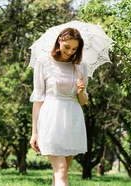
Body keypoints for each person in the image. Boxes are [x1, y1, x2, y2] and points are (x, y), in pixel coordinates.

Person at [29, 27, 88, 186]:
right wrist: (34, 133)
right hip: (51, 120)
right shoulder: (43, 62)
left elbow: (82, 101)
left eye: (74, 48)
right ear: (59, 41)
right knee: (61, 170)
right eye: (67, 47)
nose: (70, 52)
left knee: (60, 173)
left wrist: (81, 91)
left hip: (73, 121)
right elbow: (38, 98)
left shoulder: (80, 67)